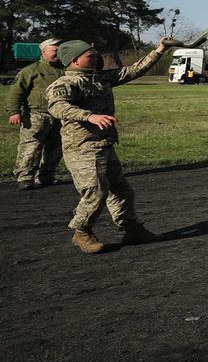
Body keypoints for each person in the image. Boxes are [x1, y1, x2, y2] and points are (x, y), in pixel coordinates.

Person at [45, 36, 178, 254]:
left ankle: (132, 229)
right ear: (74, 61)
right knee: (96, 191)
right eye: (90, 55)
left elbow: (134, 70)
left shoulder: (101, 78)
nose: (96, 57)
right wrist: (89, 116)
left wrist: (160, 50)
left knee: (122, 191)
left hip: (104, 144)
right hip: (82, 147)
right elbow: (58, 107)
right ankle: (81, 232)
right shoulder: (63, 84)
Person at [6, 37, 65, 190]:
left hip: (60, 116)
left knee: (56, 148)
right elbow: (16, 92)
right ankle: (25, 177)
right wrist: (14, 111)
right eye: (54, 51)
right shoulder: (31, 71)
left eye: (60, 50)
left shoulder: (65, 70)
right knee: (31, 147)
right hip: (36, 115)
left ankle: (46, 176)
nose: (57, 53)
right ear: (43, 52)